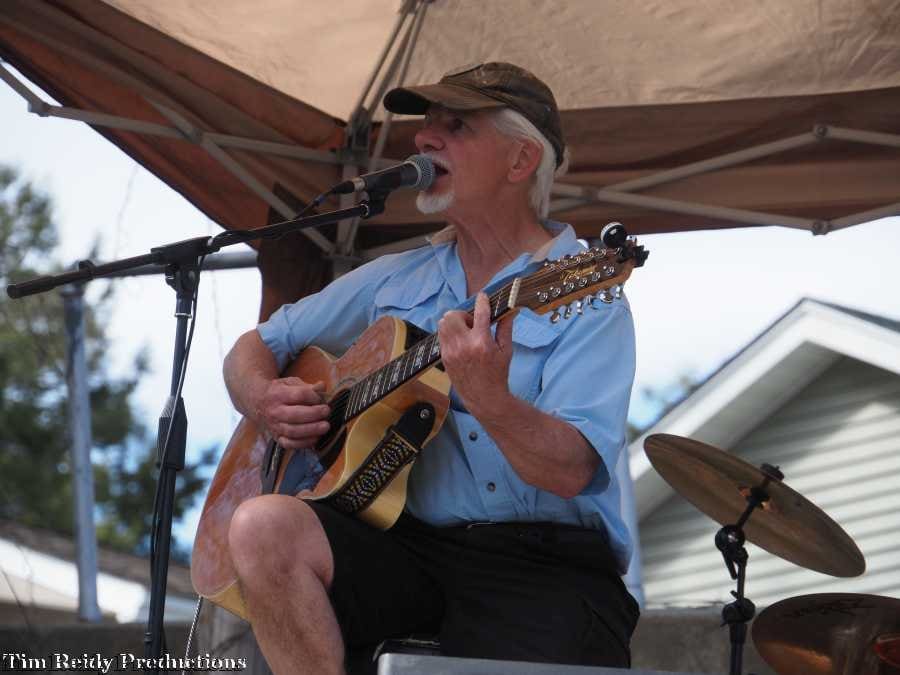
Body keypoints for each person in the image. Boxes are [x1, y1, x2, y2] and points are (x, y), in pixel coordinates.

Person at [223, 62, 639, 675]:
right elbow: (255, 345)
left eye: (457, 126)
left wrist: (490, 399)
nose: (422, 138)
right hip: (405, 548)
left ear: (521, 160)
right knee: (261, 526)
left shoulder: (585, 295)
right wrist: (262, 397)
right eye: (427, 124)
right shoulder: (397, 277)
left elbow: (572, 471)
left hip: (544, 567)